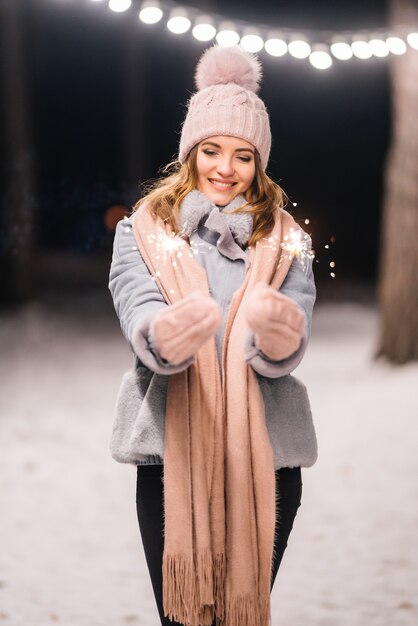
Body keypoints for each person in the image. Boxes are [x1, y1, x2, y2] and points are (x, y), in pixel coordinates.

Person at [108, 45, 317, 626]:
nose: (225, 168)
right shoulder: (143, 231)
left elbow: (294, 321)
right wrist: (164, 336)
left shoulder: (287, 238)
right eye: (212, 150)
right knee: (184, 617)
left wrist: (279, 335)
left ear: (260, 163)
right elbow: (136, 304)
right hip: (172, 455)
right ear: (190, 153)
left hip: (267, 457)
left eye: (243, 155)